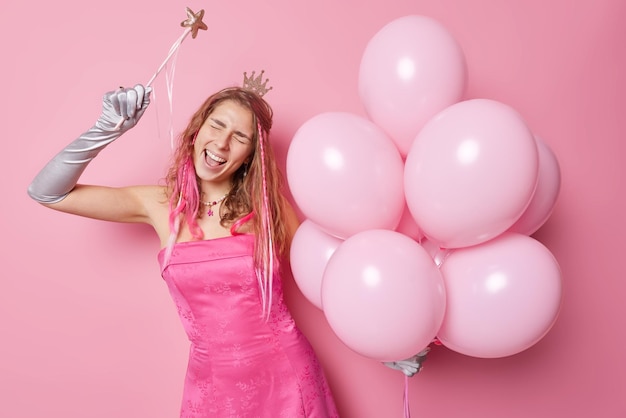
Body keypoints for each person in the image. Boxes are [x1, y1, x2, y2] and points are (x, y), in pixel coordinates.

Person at [27, 76, 340, 417]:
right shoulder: (160, 204)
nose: (221, 144)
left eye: (239, 138)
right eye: (217, 125)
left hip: (287, 380)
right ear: (196, 130)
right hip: (212, 388)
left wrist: (383, 344)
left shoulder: (268, 208)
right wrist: (107, 128)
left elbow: (326, 281)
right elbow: (47, 192)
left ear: (251, 155)